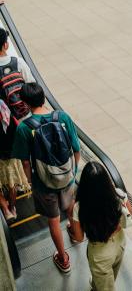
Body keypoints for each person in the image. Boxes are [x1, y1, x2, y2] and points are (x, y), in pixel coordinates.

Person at [12, 83, 80, 273]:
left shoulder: (25, 128)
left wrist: (30, 182)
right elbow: (76, 148)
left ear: (25, 103)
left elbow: (25, 163)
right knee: (70, 205)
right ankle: (76, 234)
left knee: (53, 218)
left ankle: (63, 259)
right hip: (67, 175)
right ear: (43, 97)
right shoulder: (63, 117)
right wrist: (74, 171)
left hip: (44, 181)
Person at [69, 161, 132, 291]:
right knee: (111, 276)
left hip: (100, 253)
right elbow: (131, 215)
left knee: (105, 285)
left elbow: (79, 238)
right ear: (106, 179)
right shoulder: (118, 194)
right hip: (119, 243)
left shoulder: (79, 207)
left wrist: (70, 229)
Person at [0, 27, 34, 222]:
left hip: (3, 124)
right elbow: (31, 86)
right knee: (21, 158)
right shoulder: (18, 63)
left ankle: (6, 205)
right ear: (6, 44)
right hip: (21, 119)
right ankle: (21, 191)